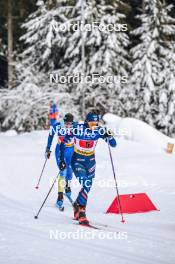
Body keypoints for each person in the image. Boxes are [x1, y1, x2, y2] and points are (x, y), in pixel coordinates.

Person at [59, 111, 117, 225]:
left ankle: (77, 205)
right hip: (77, 161)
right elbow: (63, 143)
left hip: (91, 162)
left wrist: (109, 136)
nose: (94, 126)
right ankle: (82, 212)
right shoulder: (77, 129)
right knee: (85, 184)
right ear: (86, 121)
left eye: (96, 123)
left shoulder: (99, 130)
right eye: (91, 123)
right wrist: (61, 159)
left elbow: (113, 145)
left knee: (87, 187)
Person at [45, 113, 75, 211]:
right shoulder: (57, 126)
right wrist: (48, 149)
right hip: (60, 151)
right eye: (66, 123)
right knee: (63, 171)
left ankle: (67, 185)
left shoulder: (75, 126)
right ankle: (60, 195)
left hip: (71, 151)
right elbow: (50, 135)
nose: (68, 125)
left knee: (70, 173)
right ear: (63, 121)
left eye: (70, 123)